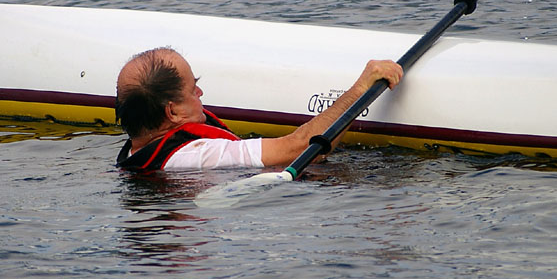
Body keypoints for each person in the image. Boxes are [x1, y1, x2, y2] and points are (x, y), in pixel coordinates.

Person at [115, 47, 403, 173]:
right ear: (173, 113)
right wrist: (361, 87)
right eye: (193, 89)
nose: (200, 93)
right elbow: (301, 149)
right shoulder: (199, 156)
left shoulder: (137, 149)